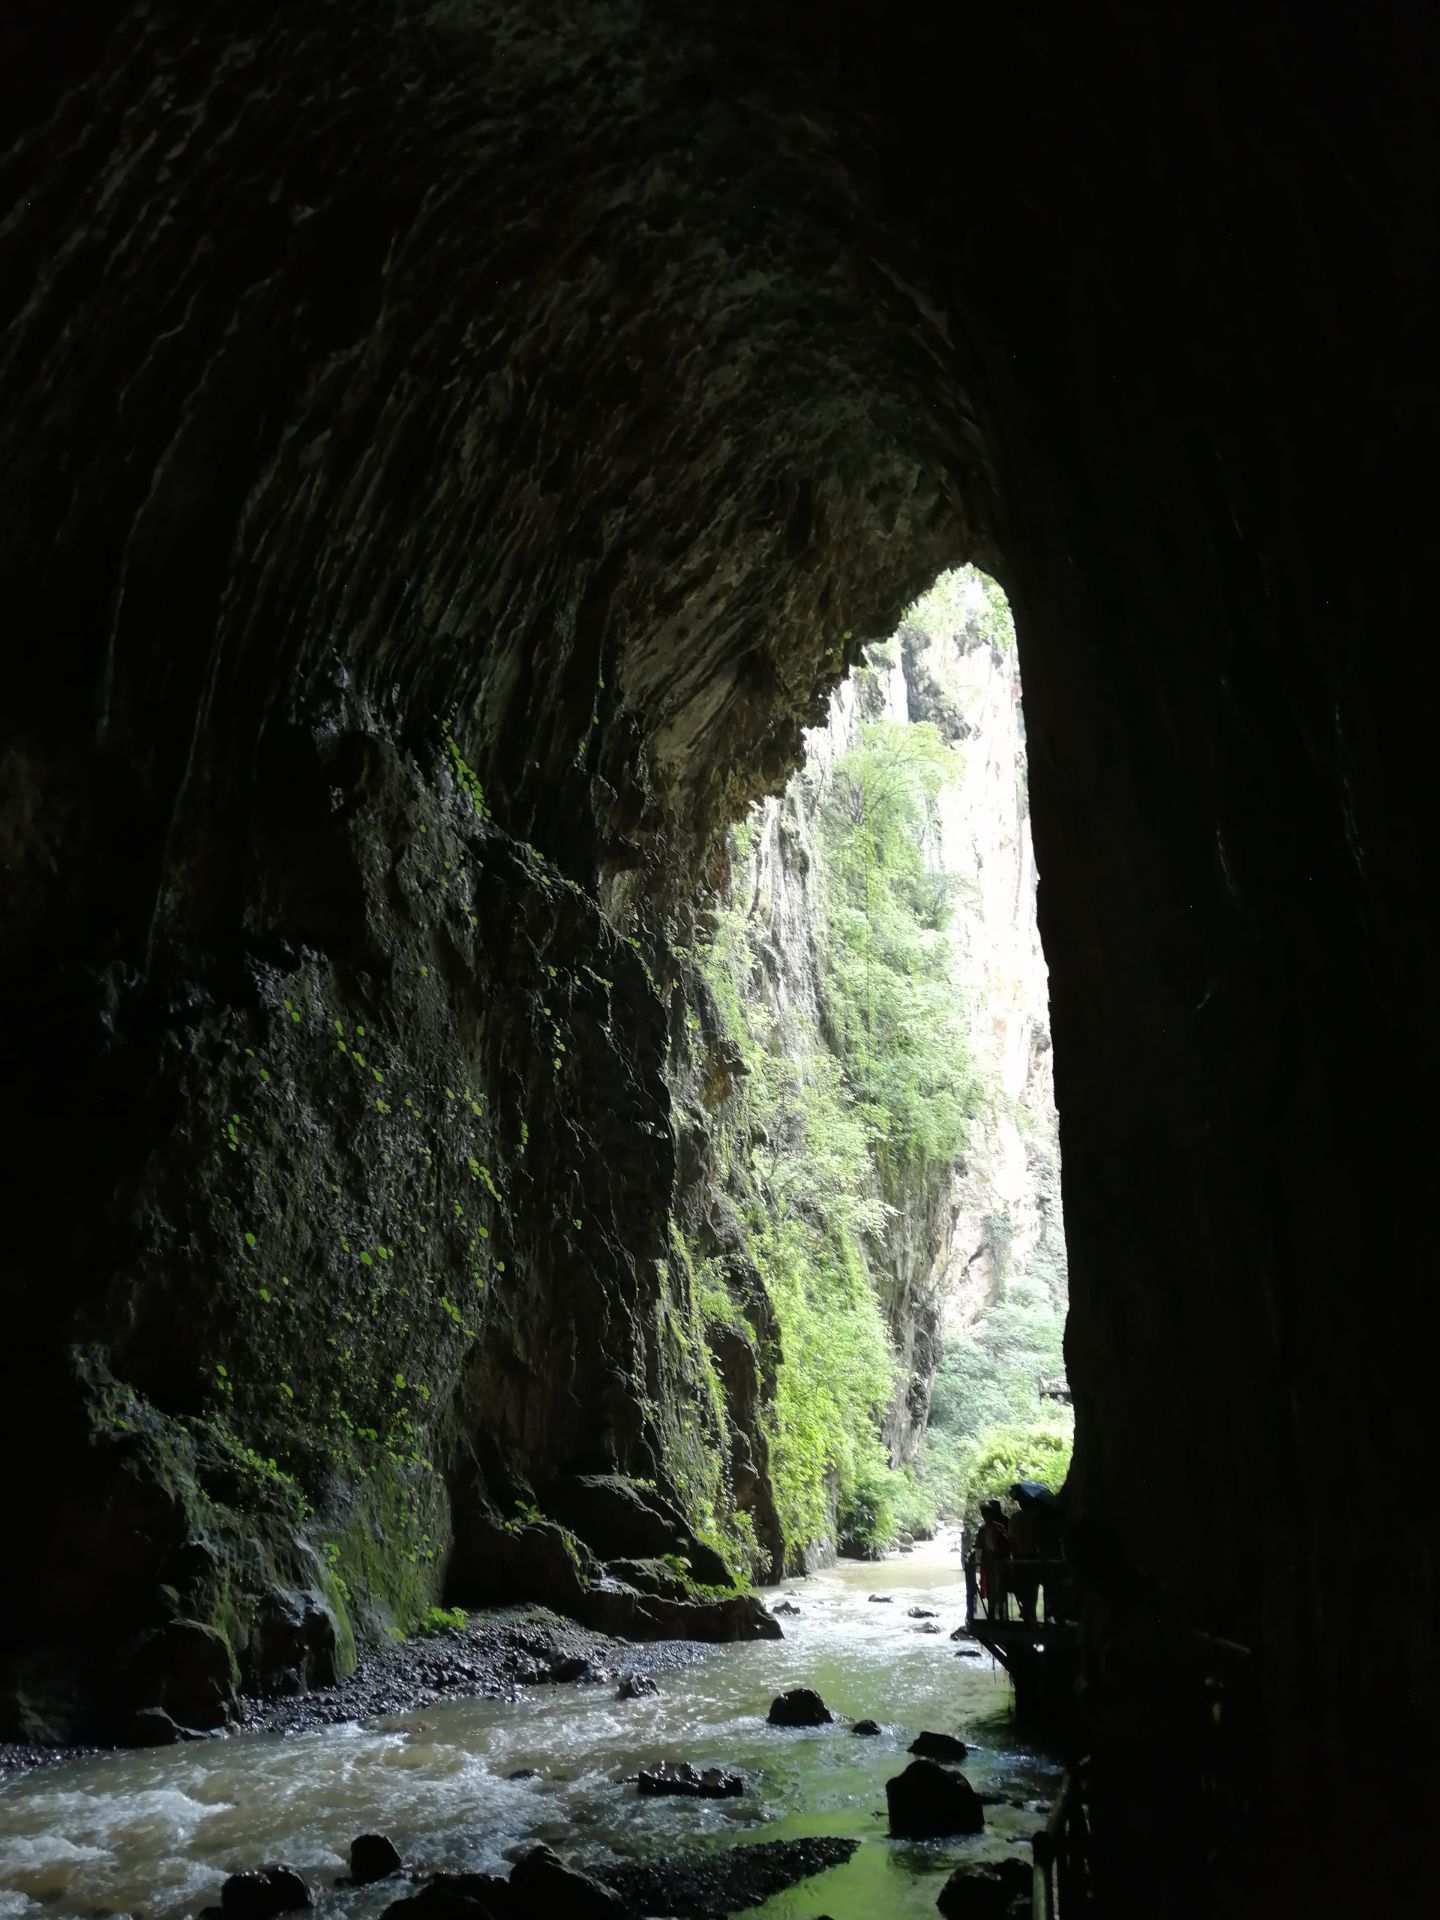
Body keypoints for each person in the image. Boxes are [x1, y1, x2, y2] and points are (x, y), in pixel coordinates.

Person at [1007, 1488, 1040, 1625]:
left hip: (1019, 1556)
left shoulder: (1015, 1518)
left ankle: (1027, 1610)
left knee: (1021, 1586)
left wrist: (1013, 1557)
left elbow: (1012, 1540)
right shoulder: (1037, 1518)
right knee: (1032, 1587)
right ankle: (1030, 1611)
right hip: (1033, 1557)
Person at [975, 1500, 1010, 1620]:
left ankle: (998, 1614)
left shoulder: (996, 1528)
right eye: (984, 1516)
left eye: (986, 1515)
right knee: (992, 1589)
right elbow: (979, 1546)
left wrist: (978, 1564)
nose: (985, 1518)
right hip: (991, 1563)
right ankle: (994, 1614)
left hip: (996, 1562)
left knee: (998, 1588)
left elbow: (1007, 1543)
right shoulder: (985, 1529)